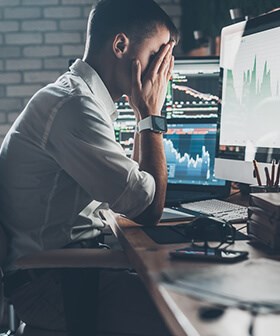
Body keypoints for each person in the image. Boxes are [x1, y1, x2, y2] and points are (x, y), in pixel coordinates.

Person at [0, 0, 179, 334]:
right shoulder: (75, 107)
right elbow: (148, 209)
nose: (161, 71)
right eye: (157, 56)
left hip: (69, 271)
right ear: (121, 45)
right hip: (55, 284)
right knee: (184, 314)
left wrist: (144, 114)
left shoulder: (76, 98)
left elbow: (138, 191)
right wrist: (151, 114)